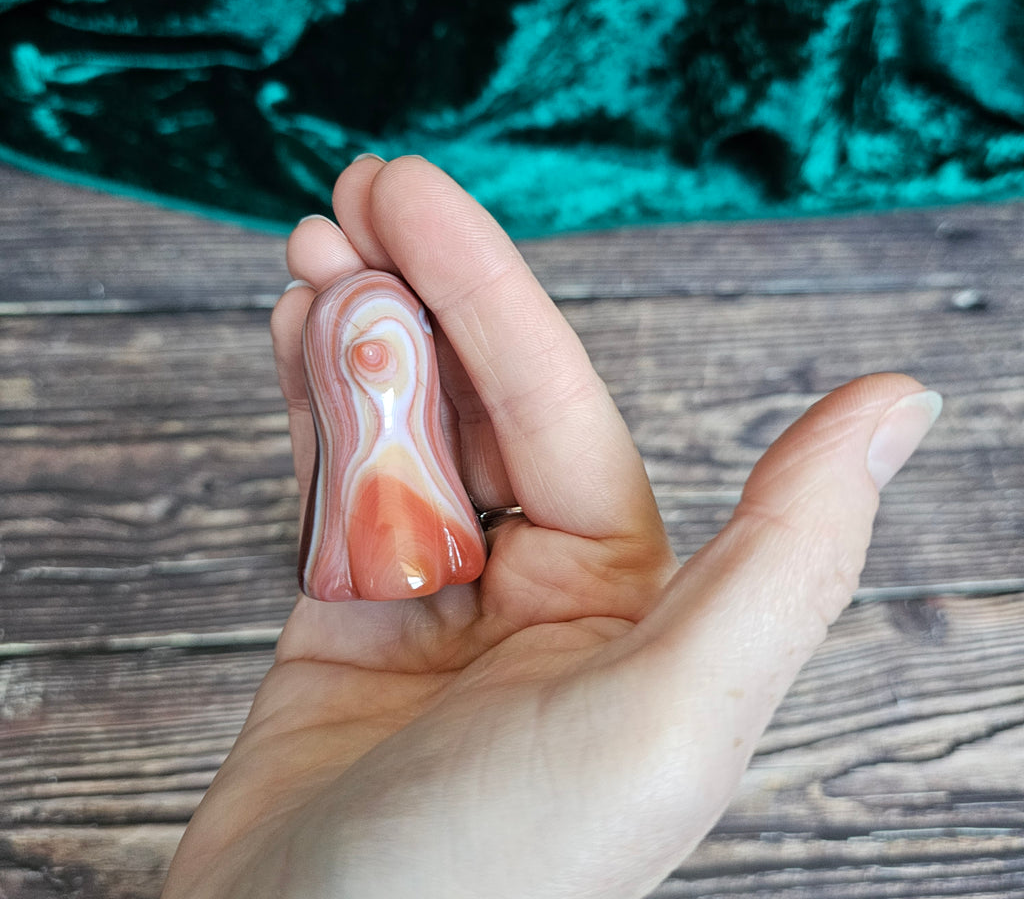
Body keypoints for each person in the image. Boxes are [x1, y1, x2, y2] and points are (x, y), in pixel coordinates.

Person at [161, 155, 941, 899]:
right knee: (365, 495)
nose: (377, 365)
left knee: (414, 485)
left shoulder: (406, 383)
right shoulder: (346, 383)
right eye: (364, 356)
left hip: (429, 510)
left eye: (388, 353)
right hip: (356, 518)